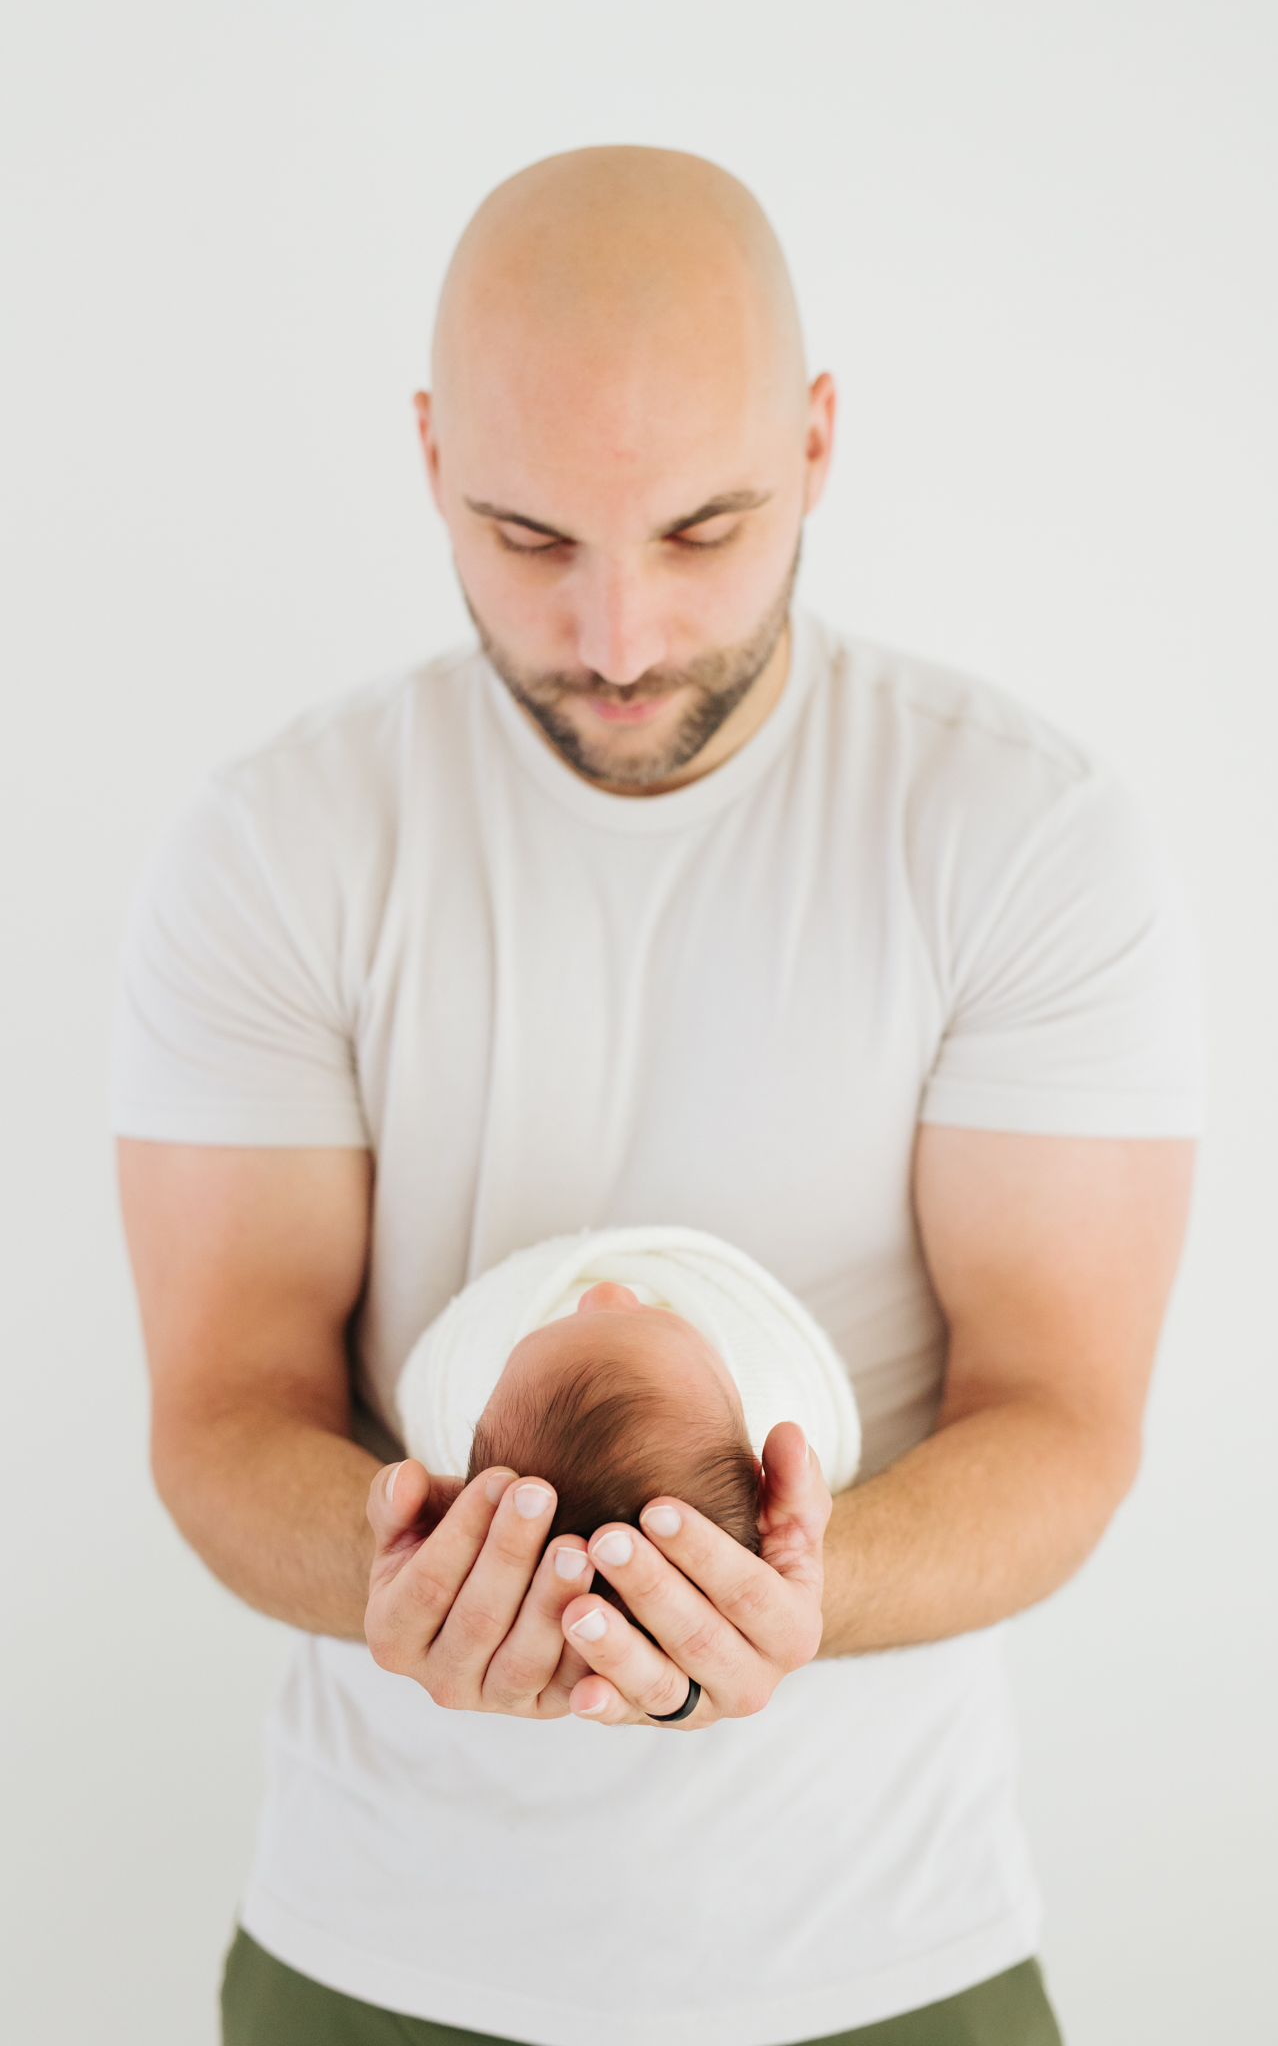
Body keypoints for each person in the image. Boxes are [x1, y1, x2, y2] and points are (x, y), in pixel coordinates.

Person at [114, 145, 1203, 2046]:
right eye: (531, 540)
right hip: (379, 1960)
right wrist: (409, 1584)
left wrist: (786, 1588)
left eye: (705, 529)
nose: (618, 638)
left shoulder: (1020, 836)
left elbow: (1064, 1415)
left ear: (819, 438)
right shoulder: (279, 849)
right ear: (433, 455)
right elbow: (223, 1417)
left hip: (889, 1963)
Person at [396, 1223, 866, 1562]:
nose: (605, 1291)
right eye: (655, 1317)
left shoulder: (459, 1388)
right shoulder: (780, 1392)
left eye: (566, 1321)